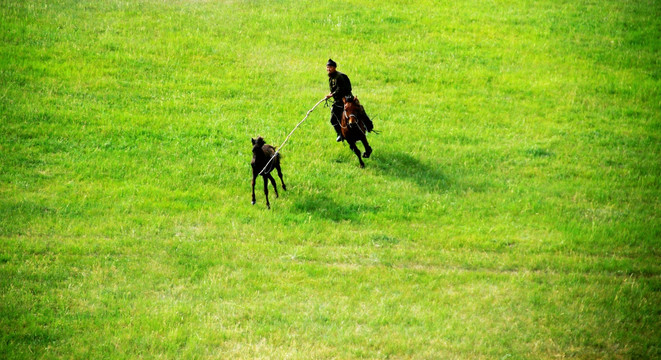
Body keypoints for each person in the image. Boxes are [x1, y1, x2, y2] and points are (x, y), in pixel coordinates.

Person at [324, 59, 373, 141]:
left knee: (358, 110)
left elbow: (343, 88)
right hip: (338, 101)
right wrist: (330, 94)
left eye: (330, 67)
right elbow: (334, 89)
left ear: (334, 68)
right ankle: (340, 134)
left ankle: (368, 126)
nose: (328, 69)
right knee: (333, 119)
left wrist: (332, 94)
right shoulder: (331, 78)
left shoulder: (340, 76)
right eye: (327, 67)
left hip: (347, 99)